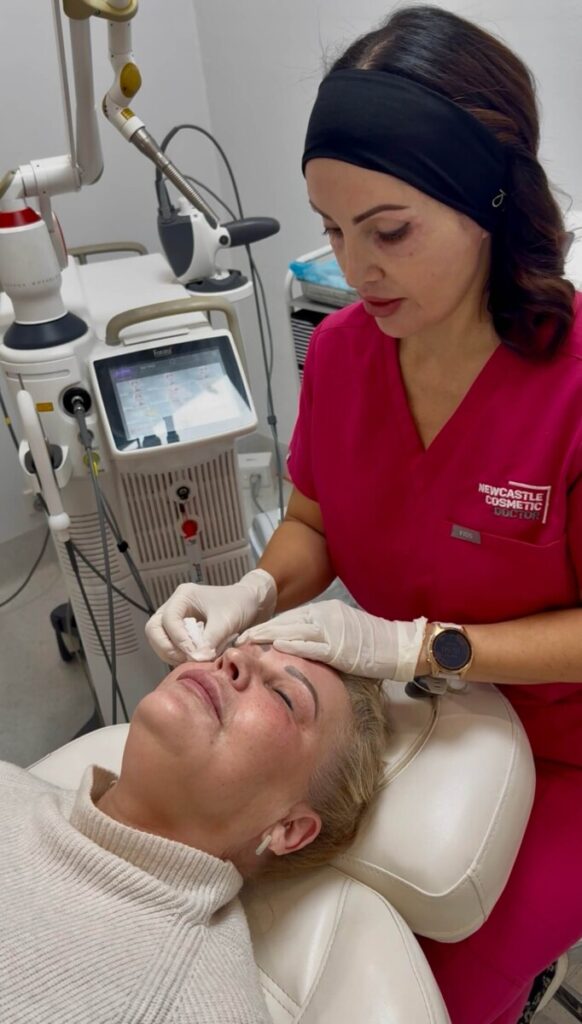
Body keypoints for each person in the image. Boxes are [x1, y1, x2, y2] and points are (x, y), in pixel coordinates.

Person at [145, 7, 582, 1023]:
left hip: (565, 745)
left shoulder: (567, 388)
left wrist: (415, 643)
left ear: (487, 201)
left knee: (442, 983)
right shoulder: (343, 354)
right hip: (405, 714)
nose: (354, 266)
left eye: (388, 231)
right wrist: (252, 586)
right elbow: (315, 526)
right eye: (333, 230)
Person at [0, 643, 387, 1024]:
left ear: (289, 829)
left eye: (284, 696)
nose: (230, 658)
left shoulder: (197, 1006)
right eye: (238, 647)